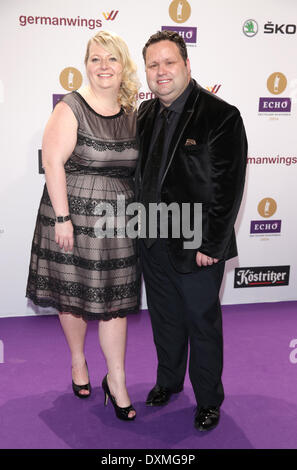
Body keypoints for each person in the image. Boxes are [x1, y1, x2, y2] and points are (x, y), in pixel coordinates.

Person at [136, 30, 247, 431]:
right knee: (164, 318)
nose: (161, 71)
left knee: (201, 322)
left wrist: (212, 243)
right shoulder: (145, 114)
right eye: (153, 64)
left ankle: (208, 400)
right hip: (152, 240)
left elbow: (228, 186)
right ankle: (168, 381)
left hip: (197, 245)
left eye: (169, 62)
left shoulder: (221, 115)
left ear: (186, 65)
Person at [26, 31, 140, 421]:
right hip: (70, 218)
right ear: (85, 65)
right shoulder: (70, 107)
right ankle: (78, 361)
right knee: (71, 296)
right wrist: (62, 218)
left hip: (116, 225)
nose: (103, 66)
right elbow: (53, 162)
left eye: (111, 59)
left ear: (123, 65)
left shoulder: (133, 113)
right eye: (95, 58)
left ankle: (118, 379)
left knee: (115, 304)